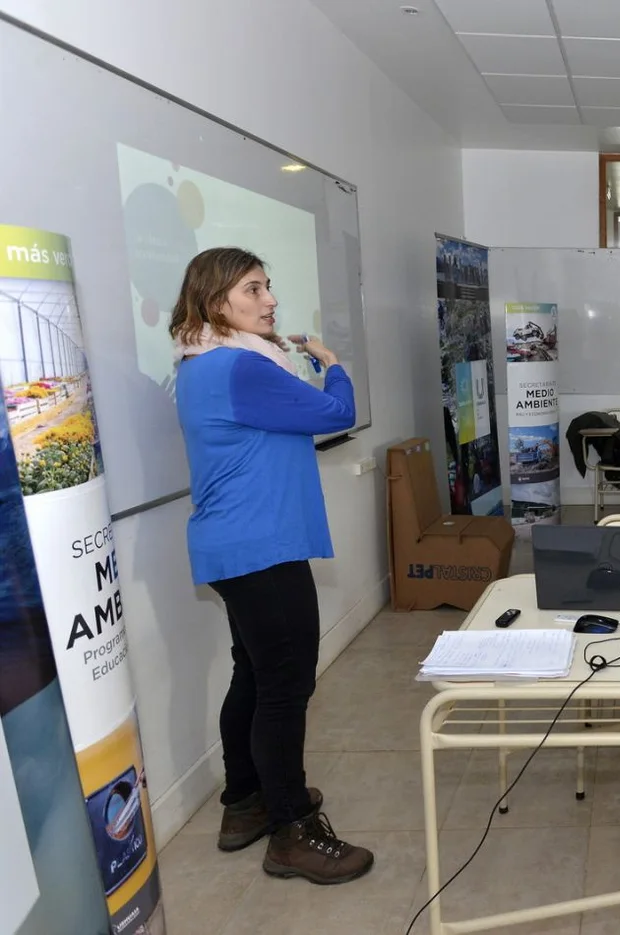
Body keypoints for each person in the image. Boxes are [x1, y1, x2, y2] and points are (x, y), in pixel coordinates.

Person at [170, 247, 373, 884]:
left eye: (268, 286)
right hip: (262, 548)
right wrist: (333, 366)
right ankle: (290, 832)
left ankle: (245, 802)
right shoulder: (239, 368)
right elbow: (336, 412)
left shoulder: (202, 366)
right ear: (215, 303)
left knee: (255, 677)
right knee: (285, 688)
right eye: (253, 289)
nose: (270, 300)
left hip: (237, 546)